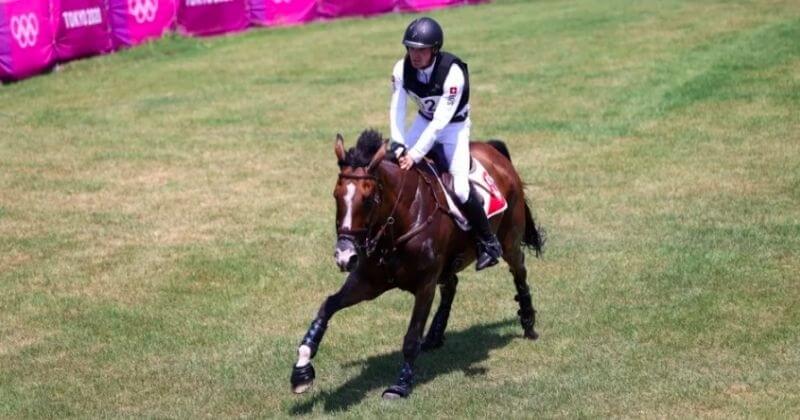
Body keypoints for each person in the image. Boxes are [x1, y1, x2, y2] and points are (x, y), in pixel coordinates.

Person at [389, 16, 502, 270]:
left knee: (461, 188)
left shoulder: (452, 73)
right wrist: (397, 143)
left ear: (435, 49)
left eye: (421, 50)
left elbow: (440, 123)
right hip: (423, 121)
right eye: (411, 48)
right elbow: (396, 109)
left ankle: (489, 243)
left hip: (454, 127)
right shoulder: (401, 69)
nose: (415, 55)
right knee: (391, 164)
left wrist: (415, 154)